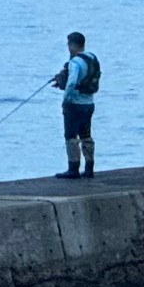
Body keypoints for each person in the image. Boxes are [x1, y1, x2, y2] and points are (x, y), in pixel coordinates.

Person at [50, 31, 99, 179]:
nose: (68, 47)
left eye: (68, 44)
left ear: (72, 45)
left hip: (75, 104)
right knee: (86, 135)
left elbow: (71, 83)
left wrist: (66, 100)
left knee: (71, 136)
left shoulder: (75, 63)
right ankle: (89, 168)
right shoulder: (92, 58)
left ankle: (73, 168)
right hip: (89, 103)